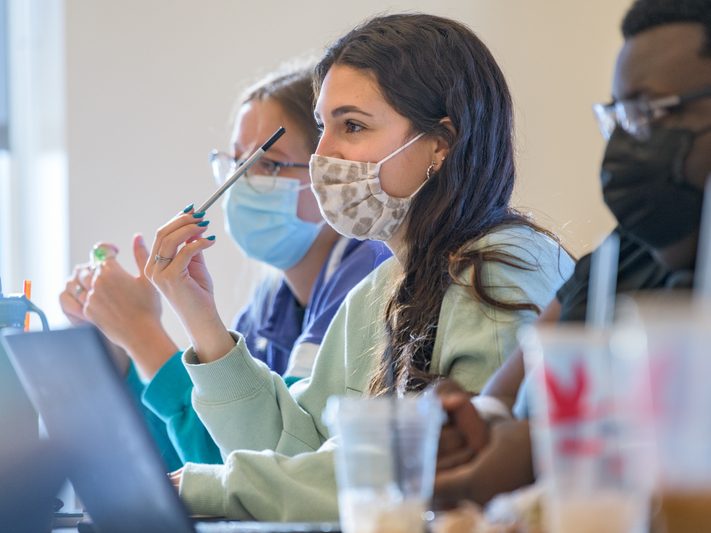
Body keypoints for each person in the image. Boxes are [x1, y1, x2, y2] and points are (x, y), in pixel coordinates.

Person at [144, 13, 574, 520]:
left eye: (353, 126)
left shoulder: (500, 276)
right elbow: (295, 454)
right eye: (324, 127)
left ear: (441, 142)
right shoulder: (380, 290)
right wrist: (201, 318)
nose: (323, 155)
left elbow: (448, 476)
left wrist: (200, 488)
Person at [434, 0, 711, 506]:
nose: (624, 144)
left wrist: (542, 457)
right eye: (620, 116)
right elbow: (500, 397)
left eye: (648, 113)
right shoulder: (623, 253)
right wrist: (467, 427)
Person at [58, 66, 391, 468]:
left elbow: (264, 464)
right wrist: (120, 347)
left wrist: (144, 334)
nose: (239, 182)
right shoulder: (271, 303)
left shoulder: (369, 273)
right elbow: (183, 461)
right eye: (235, 161)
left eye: (268, 164)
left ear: (326, 170)